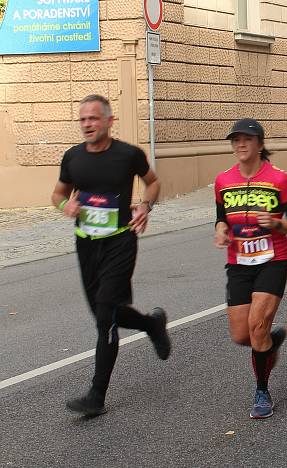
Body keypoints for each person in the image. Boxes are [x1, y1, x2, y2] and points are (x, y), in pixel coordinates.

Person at [51, 94, 171, 417]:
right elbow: (58, 194)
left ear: (108, 121)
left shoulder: (128, 155)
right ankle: (151, 323)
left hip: (120, 240)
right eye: (83, 120)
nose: (87, 124)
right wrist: (66, 206)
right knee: (105, 314)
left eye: (93, 118)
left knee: (105, 314)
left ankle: (96, 395)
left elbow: (153, 183)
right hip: (86, 244)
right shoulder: (72, 157)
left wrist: (145, 206)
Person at [214, 118, 287, 419]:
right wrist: (220, 229)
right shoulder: (223, 180)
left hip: (272, 259)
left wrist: (278, 223)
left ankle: (262, 391)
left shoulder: (279, 179)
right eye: (235, 140)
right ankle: (270, 343)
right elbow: (221, 216)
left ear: (260, 145)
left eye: (246, 139)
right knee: (243, 335)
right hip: (238, 261)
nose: (240, 144)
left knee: (256, 326)